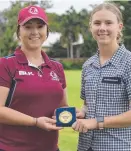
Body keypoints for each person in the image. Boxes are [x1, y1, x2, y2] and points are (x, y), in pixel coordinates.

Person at [0, 5, 68, 151]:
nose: (35, 32)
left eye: (40, 26)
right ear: (19, 31)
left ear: (46, 31)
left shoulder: (57, 67)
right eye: (28, 26)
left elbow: (62, 107)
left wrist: (70, 115)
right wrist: (35, 122)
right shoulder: (5, 64)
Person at [72, 2, 131, 151]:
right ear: (91, 27)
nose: (102, 28)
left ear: (119, 27)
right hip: (85, 146)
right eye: (97, 23)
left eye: (108, 23)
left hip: (117, 146)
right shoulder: (88, 65)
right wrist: (82, 113)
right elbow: (87, 104)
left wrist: (96, 122)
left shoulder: (128, 63)